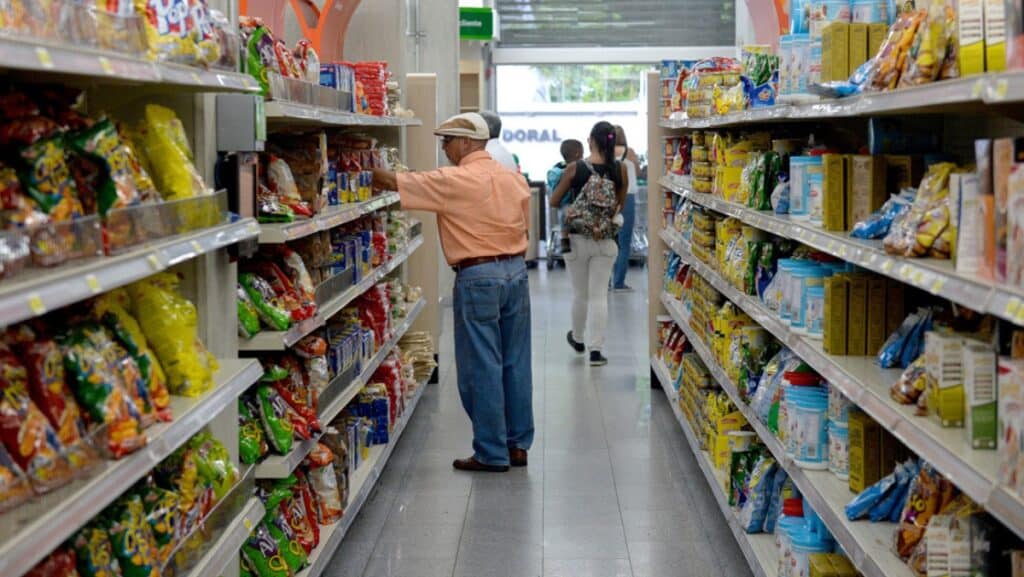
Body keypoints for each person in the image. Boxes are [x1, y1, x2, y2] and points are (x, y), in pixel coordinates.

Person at [371, 112, 533, 473]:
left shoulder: (453, 180)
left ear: (465, 142)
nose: (444, 148)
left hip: (478, 277)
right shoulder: (513, 178)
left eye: (446, 141)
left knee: (482, 365)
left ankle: (491, 452)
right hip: (515, 273)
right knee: (516, 362)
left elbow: (393, 181)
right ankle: (517, 444)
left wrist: (357, 166)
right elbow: (527, 225)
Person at [550, 121, 627, 366]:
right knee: (598, 296)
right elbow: (619, 205)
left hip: (575, 238)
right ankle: (596, 351)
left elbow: (554, 201)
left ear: (591, 140)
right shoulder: (621, 170)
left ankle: (578, 339)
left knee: (580, 294)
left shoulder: (574, 168)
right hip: (605, 239)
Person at [611, 125, 640, 291]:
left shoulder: (605, 153)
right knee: (624, 242)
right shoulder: (630, 152)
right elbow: (637, 171)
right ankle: (619, 282)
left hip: (610, 197)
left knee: (608, 240)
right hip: (627, 198)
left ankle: (605, 282)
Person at [546, 139, 584, 254]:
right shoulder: (564, 171)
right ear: (578, 154)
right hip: (568, 203)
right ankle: (564, 238)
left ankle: (565, 237)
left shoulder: (559, 169)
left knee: (565, 213)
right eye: (582, 153)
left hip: (572, 203)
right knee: (565, 213)